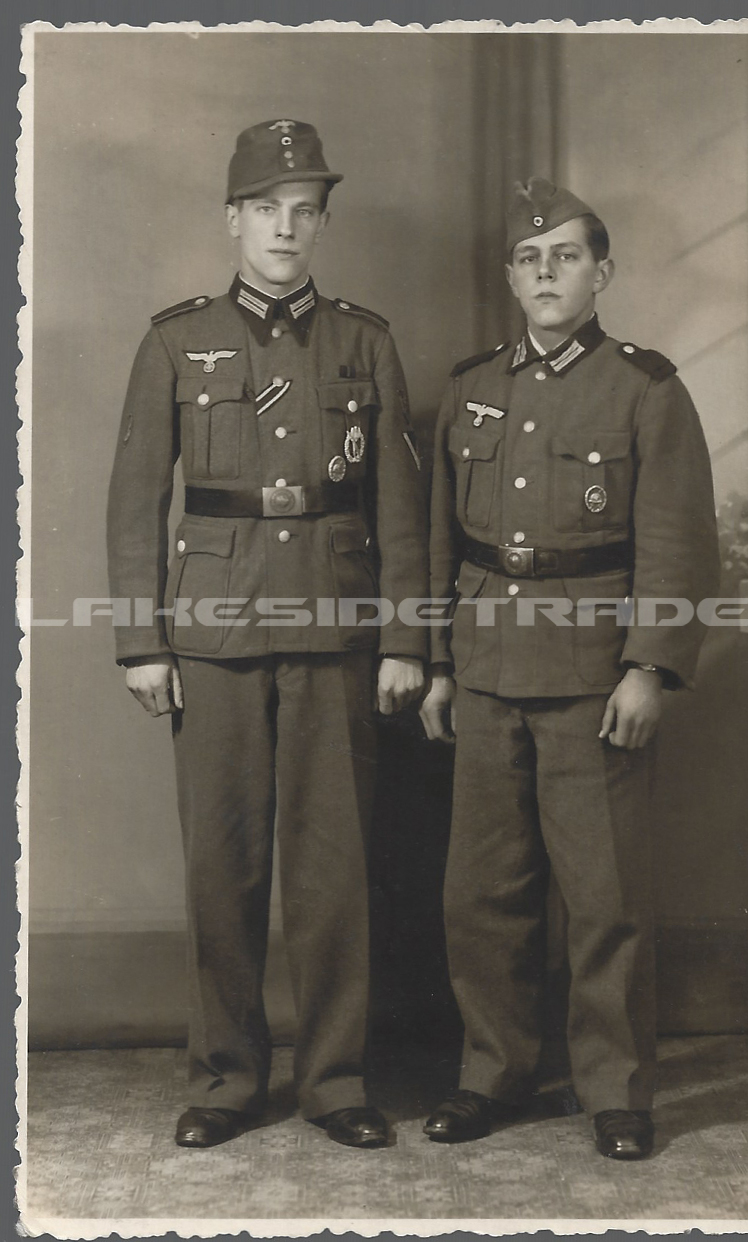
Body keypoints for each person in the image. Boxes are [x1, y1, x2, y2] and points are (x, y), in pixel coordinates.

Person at [107, 120, 428, 1150]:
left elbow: (401, 508)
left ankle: (336, 1080)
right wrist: (141, 640)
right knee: (224, 866)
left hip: (337, 625)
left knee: (335, 871)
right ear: (232, 219)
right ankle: (226, 1076)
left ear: (322, 223)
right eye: (267, 210)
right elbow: (130, 504)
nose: (287, 230)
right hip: (210, 631)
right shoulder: (174, 340)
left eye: (305, 212)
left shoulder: (364, 341)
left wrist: (406, 639)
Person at [419, 177, 719, 1159]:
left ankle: (614, 1089)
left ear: (603, 272)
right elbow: (439, 542)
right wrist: (437, 664)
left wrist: (649, 669)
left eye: (566, 257)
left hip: (594, 675)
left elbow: (677, 542)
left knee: (603, 899)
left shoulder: (643, 386)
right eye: (529, 259)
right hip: (485, 666)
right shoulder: (473, 386)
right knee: (482, 895)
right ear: (512, 278)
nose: (547, 275)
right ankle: (490, 1074)